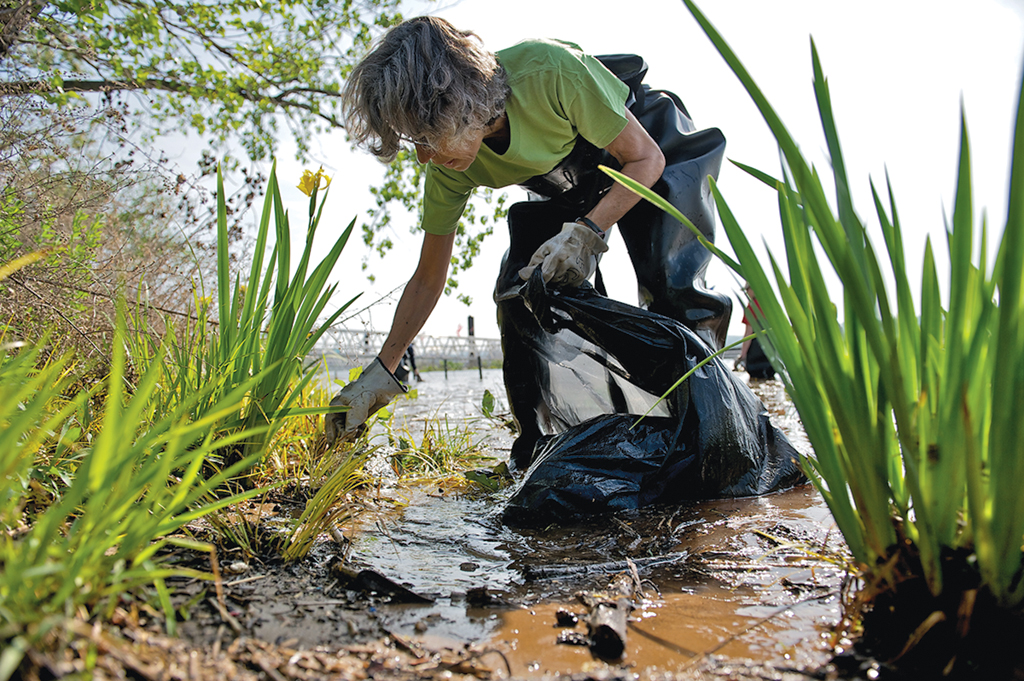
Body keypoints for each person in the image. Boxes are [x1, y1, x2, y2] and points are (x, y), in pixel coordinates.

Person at [324, 16, 731, 448]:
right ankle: (541, 447)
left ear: (461, 102)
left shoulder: (548, 71)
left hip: (649, 148)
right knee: (520, 292)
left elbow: (645, 159)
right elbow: (427, 278)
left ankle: (715, 432)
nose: (423, 157)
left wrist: (588, 232)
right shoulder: (449, 166)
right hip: (567, 184)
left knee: (671, 284)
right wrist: (382, 372)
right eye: (414, 141)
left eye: (427, 136)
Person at [735, 284, 775, 380]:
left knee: (755, 382)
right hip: (772, 355)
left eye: (747, 290)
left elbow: (749, 333)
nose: (746, 293)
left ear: (753, 289)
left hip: (755, 354)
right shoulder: (771, 306)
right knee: (769, 380)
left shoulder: (752, 307)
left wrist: (742, 355)